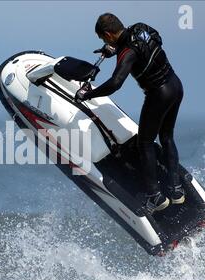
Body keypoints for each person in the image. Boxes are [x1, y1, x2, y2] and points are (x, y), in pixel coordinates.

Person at [75, 13, 185, 213]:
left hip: (158, 94)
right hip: (175, 86)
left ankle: (155, 197)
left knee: (145, 143)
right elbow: (153, 41)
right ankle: (176, 190)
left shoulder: (127, 53)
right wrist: (114, 49)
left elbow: (116, 83)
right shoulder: (141, 27)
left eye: (102, 38)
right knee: (167, 136)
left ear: (108, 34)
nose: (103, 41)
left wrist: (89, 95)